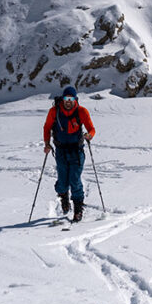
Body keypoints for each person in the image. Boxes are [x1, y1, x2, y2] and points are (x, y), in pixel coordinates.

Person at [43, 85, 96, 221]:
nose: (68, 101)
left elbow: (91, 128)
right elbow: (47, 127)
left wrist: (89, 135)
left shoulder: (81, 111)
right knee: (62, 182)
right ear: (63, 98)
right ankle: (64, 196)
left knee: (75, 179)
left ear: (75, 99)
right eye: (66, 98)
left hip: (77, 151)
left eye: (71, 98)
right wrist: (47, 144)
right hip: (61, 151)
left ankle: (78, 208)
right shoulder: (54, 111)